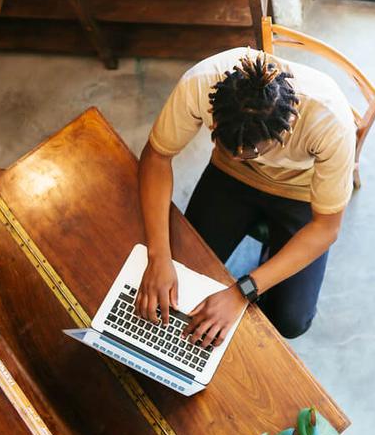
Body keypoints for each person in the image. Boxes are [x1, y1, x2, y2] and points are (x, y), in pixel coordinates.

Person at [135, 47, 355, 345]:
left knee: (290, 322)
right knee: (183, 281)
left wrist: (243, 291)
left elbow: (327, 227)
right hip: (229, 178)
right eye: (226, 144)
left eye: (251, 151)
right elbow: (157, 157)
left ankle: (270, 258)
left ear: (286, 127)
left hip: (302, 191)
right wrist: (158, 256)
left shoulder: (330, 122)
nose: (240, 155)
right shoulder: (201, 82)